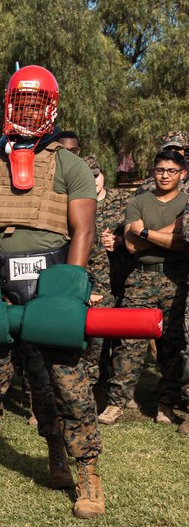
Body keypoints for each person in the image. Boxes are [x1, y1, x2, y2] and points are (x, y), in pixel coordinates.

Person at [0, 65, 104, 519]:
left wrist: (68, 291)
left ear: (51, 107)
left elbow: (84, 232)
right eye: (21, 104)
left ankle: (84, 474)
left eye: (36, 105)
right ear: (8, 105)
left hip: (53, 284)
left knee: (67, 385)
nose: (28, 113)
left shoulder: (71, 166)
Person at [102, 150, 188, 428]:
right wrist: (168, 233)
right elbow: (130, 246)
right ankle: (117, 402)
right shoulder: (137, 201)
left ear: (182, 174)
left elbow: (183, 245)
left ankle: (166, 403)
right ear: (153, 172)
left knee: (172, 345)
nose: (165, 175)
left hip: (177, 280)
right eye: (160, 170)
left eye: (171, 171)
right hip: (140, 279)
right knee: (129, 344)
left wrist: (146, 233)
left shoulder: (186, 203)